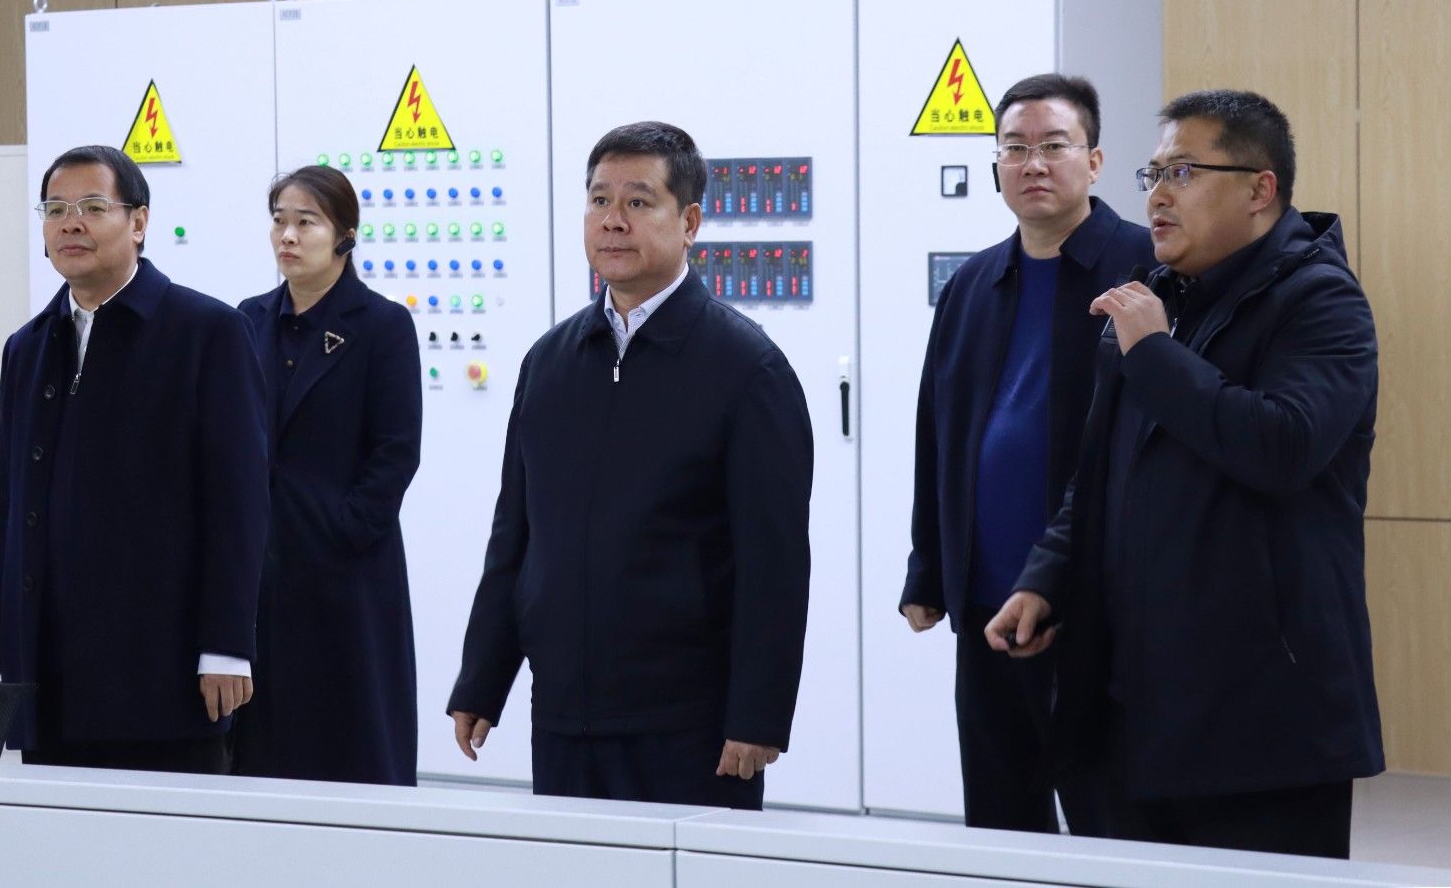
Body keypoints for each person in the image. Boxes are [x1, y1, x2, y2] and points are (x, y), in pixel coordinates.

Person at [987, 90, 1383, 858]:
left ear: (1260, 189)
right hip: (1133, 711)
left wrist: (1156, 355)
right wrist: (1046, 577)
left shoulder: (1321, 301)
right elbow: (1098, 477)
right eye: (1154, 173)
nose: (1157, 197)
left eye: (1184, 172)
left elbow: (1282, 447)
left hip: (1264, 724)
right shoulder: (1157, 301)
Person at [447, 120, 812, 810]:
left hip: (688, 724)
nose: (612, 221)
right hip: (564, 713)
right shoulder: (549, 363)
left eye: (638, 202)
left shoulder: (746, 369)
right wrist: (482, 679)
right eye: (599, 200)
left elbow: (775, 562)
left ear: (690, 222)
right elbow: (515, 536)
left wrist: (758, 716)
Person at [901, 74, 1153, 833]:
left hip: (1098, 604)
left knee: (1110, 820)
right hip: (986, 599)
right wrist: (928, 570)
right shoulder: (973, 283)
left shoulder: (1145, 267)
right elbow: (937, 434)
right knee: (1001, 817)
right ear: (996, 166)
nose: (1033, 163)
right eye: (1015, 148)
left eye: (1054, 146)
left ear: (1095, 161)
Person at [0, 145, 267, 773]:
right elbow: (9, 513)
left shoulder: (207, 332)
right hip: (49, 672)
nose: (70, 224)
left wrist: (226, 645)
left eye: (92, 206)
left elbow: (238, 504)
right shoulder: (26, 348)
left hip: (163, 667)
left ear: (139, 221)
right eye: (55, 210)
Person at [234, 166, 423, 785]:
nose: (287, 236)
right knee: (263, 749)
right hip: (261, 571)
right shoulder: (248, 320)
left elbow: (396, 452)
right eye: (279, 221)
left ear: (345, 235)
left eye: (305, 222)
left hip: (348, 572)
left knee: (351, 740)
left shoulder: (382, 324)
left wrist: (342, 531)